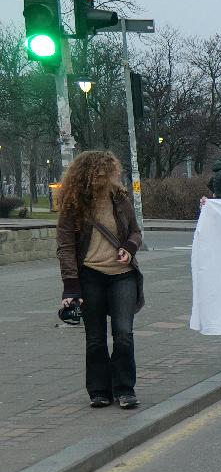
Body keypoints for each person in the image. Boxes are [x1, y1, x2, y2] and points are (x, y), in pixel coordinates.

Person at [56, 151, 144, 409]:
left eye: (113, 173)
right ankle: (99, 391)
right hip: (90, 276)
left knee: (123, 333)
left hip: (122, 275)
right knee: (95, 338)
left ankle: (125, 389)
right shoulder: (74, 205)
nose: (112, 178)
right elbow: (65, 247)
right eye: (106, 174)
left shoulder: (120, 198)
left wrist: (129, 247)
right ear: (91, 176)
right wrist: (70, 287)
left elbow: (135, 231)